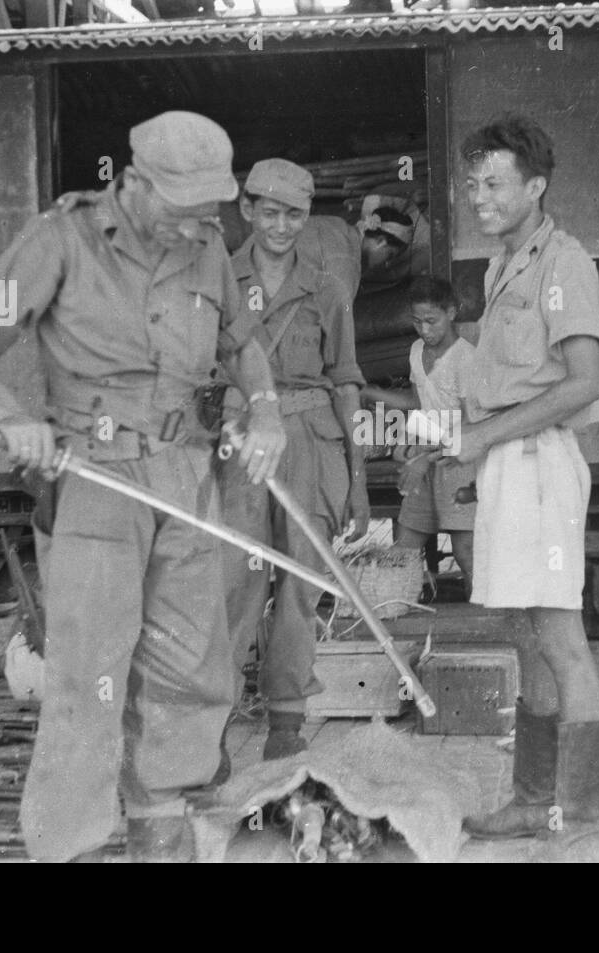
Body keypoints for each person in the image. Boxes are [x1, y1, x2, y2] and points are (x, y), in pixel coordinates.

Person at [0, 111, 287, 863]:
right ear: (134, 183)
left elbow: (246, 343)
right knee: (89, 674)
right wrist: (10, 415)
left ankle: (162, 834)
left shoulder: (206, 247)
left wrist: (264, 409)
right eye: (187, 212)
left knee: (192, 669)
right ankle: (68, 846)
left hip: (185, 474)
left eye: (211, 214)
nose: (203, 230)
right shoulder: (61, 237)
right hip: (95, 478)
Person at [448, 114, 599, 841]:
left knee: (560, 635)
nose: (478, 196)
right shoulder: (502, 264)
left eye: (495, 183)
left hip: (540, 460)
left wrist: (485, 433)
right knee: (524, 634)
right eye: (472, 182)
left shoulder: (562, 263)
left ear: (535, 187)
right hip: (510, 462)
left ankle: (578, 812)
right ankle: (532, 797)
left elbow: (582, 383)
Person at [219, 158, 368, 760]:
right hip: (242, 444)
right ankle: (216, 727)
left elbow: (348, 382)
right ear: (247, 210)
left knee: (301, 588)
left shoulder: (328, 288)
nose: (282, 226)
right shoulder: (219, 284)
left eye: (296, 215)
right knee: (235, 585)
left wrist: (357, 481)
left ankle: (286, 726)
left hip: (311, 441)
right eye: (271, 212)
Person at [361, 276, 477, 594]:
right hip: (427, 456)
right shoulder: (416, 350)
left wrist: (424, 458)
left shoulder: (466, 359)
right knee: (404, 548)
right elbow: (418, 402)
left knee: (467, 553)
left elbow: (470, 426)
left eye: (431, 321)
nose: (424, 330)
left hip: (460, 463)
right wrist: (374, 393)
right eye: (416, 321)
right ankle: (396, 607)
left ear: (451, 313)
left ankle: (486, 626)